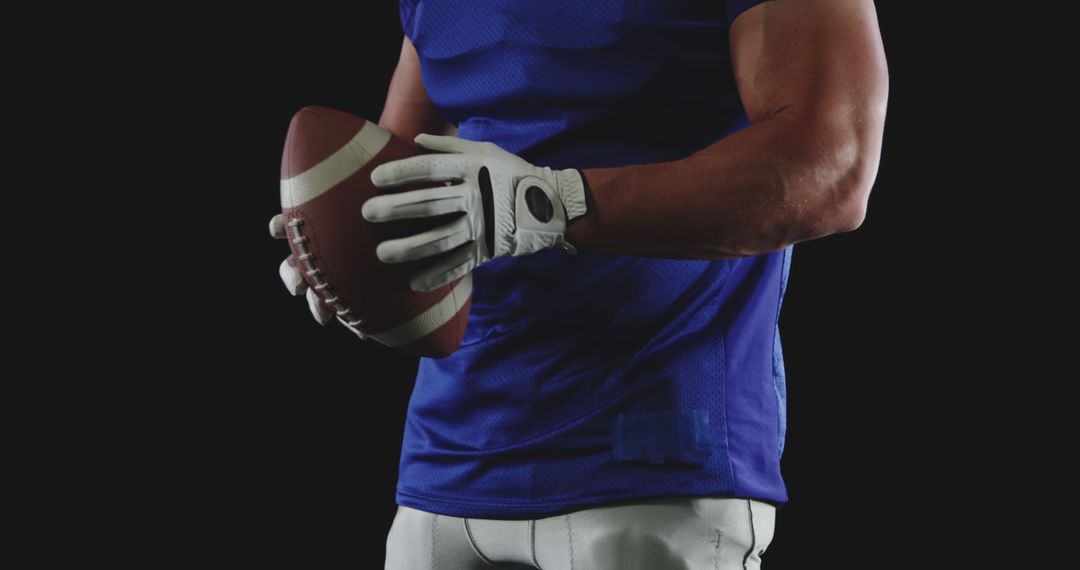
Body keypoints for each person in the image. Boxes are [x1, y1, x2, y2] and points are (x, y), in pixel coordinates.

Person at [273, 0, 887, 567]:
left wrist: (551, 201)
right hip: (448, 462)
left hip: (651, 457)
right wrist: (342, 247)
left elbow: (830, 164)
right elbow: (401, 174)